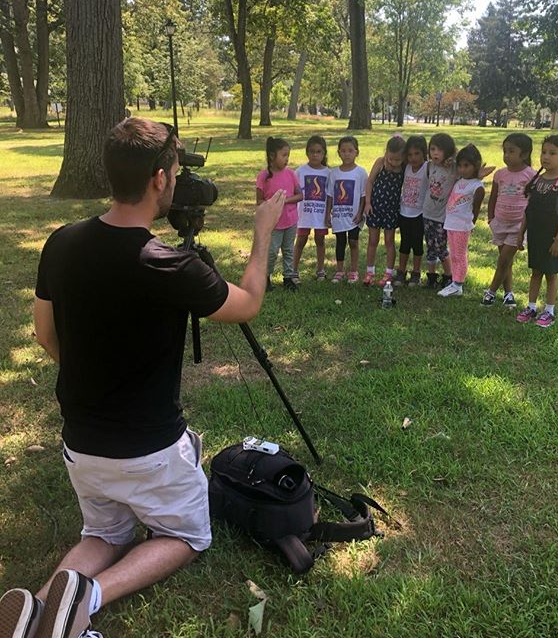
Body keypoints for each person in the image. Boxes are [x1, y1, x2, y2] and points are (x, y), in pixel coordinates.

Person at [0, 118, 285, 638]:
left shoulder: (60, 243)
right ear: (159, 179)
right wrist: (262, 232)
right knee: (188, 538)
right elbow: (247, 305)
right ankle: (91, 595)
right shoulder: (170, 265)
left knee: (105, 532)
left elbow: (44, 335)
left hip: (82, 448)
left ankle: (37, 608)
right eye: (174, 171)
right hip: (149, 452)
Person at [516, 135, 558, 328]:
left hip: (552, 237)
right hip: (535, 235)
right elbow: (529, 210)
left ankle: (549, 310)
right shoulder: (536, 181)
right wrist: (521, 233)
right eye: (543, 152)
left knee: (551, 274)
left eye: (552, 153)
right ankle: (531, 306)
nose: (546, 157)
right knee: (536, 272)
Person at [482, 133, 537, 307]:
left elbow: (533, 202)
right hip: (500, 222)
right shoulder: (500, 175)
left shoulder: (531, 175)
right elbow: (493, 197)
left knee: (504, 260)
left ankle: (490, 292)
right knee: (506, 262)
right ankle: (508, 294)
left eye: (511, 151)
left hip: (518, 226)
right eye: (505, 151)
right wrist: (491, 218)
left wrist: (527, 226)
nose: (506, 155)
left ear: (525, 154)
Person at [438, 144, 487, 298]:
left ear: (476, 166)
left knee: (460, 254)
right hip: (451, 223)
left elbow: (476, 209)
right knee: (453, 254)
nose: (462, 169)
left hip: (462, 225)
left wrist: (471, 223)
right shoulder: (460, 180)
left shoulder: (477, 186)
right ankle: (454, 280)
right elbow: (450, 163)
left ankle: (458, 284)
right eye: (460, 166)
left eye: (467, 166)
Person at [256, 136, 303, 292]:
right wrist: (272, 205)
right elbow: (259, 201)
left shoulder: (291, 174)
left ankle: (288, 277)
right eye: (283, 155)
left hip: (290, 220)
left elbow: (300, 195)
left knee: (289, 249)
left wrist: (286, 200)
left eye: (288, 155)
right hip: (273, 223)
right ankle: (265, 277)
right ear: (271, 156)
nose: (286, 159)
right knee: (272, 251)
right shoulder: (264, 176)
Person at [362, 135, 405, 286]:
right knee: (372, 240)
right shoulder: (380, 162)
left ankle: (388, 273)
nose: (394, 162)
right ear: (386, 153)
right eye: (391, 158)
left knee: (389, 241)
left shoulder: (404, 167)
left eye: (397, 160)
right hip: (375, 208)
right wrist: (367, 203)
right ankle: (370, 272)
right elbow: (370, 182)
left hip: (391, 211)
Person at [325, 136, 368, 284]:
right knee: (340, 242)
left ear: (357, 152)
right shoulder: (334, 173)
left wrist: (360, 213)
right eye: (343, 151)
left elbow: (363, 195)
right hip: (338, 215)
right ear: (338, 153)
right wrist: (327, 214)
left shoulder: (361, 172)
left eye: (350, 150)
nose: (347, 154)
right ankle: (339, 270)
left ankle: (354, 271)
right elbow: (330, 195)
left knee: (353, 241)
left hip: (354, 216)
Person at [292, 135, 330, 283]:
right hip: (303, 215)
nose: (315, 154)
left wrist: (328, 214)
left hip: (320, 215)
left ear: (324, 153)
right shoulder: (300, 171)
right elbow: (294, 192)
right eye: (312, 151)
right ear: (307, 152)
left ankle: (321, 270)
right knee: (301, 240)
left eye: (319, 151)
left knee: (320, 240)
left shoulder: (328, 173)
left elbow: (330, 195)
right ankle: (293, 270)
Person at [422, 133, 457, 289]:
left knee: (441, 247)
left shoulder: (452, 168)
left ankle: (449, 276)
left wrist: (453, 159)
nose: (435, 153)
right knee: (430, 246)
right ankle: (431, 276)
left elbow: (466, 163)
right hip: (427, 213)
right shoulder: (430, 166)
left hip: (442, 217)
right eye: (433, 149)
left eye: (440, 150)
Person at [394, 135, 429, 287]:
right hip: (404, 212)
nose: (413, 158)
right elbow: (391, 158)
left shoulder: (428, 167)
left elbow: (446, 165)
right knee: (404, 244)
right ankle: (401, 272)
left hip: (419, 214)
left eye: (417, 154)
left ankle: (416, 273)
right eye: (410, 154)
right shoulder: (405, 167)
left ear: (424, 153)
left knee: (417, 245)